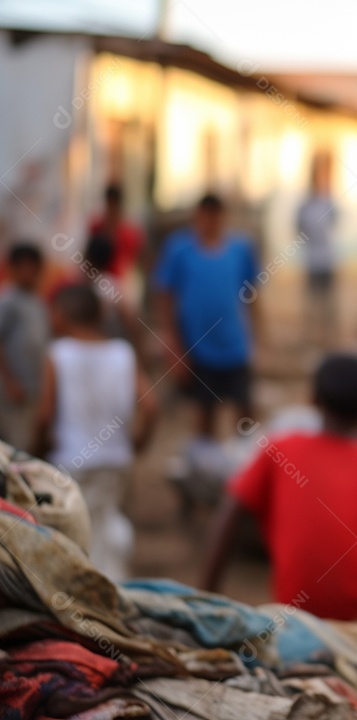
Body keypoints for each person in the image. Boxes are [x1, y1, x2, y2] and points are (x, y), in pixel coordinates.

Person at [201, 354, 357, 629]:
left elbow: (229, 516)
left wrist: (204, 598)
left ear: (313, 400)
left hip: (292, 602)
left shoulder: (280, 449)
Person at [35, 285, 156, 581]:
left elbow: (44, 415)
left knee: (77, 537)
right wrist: (137, 443)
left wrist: (39, 446)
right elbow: (151, 406)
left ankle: (90, 599)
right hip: (116, 460)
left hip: (71, 461)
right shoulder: (122, 352)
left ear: (60, 316)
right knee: (107, 527)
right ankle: (115, 588)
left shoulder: (58, 353)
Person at [153, 193, 259, 438]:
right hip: (198, 346)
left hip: (234, 343)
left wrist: (257, 338)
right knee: (204, 409)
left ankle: (244, 456)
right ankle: (206, 459)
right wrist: (173, 343)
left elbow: (252, 297)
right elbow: (166, 296)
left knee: (244, 406)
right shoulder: (180, 250)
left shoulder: (240, 249)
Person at [0, 243, 49, 451]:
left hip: (34, 389)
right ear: (12, 268)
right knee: (17, 446)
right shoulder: (8, 301)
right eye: (22, 267)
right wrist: (9, 381)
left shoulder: (38, 301)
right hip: (14, 392)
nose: (27, 273)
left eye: (32, 267)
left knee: (31, 443)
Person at [296, 154, 338, 346]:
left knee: (328, 303)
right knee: (313, 303)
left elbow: (335, 222)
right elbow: (298, 228)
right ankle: (312, 339)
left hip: (327, 259)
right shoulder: (306, 206)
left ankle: (328, 339)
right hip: (313, 260)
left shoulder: (327, 203)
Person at [89, 183, 144, 285]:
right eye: (109, 204)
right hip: (99, 279)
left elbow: (133, 261)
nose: (111, 209)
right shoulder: (96, 226)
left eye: (114, 205)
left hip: (121, 281)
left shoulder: (129, 233)